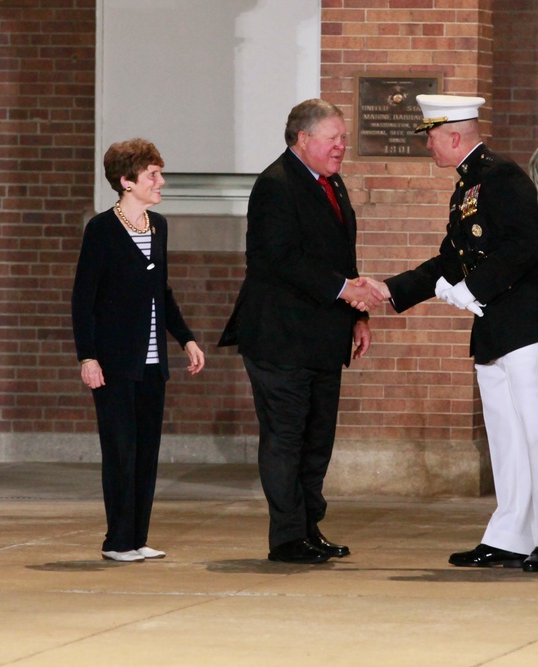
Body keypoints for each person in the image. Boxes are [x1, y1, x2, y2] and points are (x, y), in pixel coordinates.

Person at [364, 94, 538, 573]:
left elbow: (523, 248)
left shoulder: (502, 178)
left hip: (526, 323)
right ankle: (510, 537)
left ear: (454, 135)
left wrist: (471, 289)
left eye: (432, 137)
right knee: (505, 435)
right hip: (495, 327)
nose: (429, 147)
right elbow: (448, 259)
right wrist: (389, 289)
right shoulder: (468, 187)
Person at [219, 99, 384, 564]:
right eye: (333, 138)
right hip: (280, 338)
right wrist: (345, 290)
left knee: (317, 440)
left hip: (323, 338)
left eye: (344, 138)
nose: (341, 146)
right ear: (303, 139)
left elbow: (341, 256)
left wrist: (357, 314)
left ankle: (309, 528)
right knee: (286, 439)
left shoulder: (331, 183)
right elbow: (278, 259)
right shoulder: (275, 185)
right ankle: (287, 538)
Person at [72, 138, 205, 562]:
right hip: (113, 363)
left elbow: (160, 294)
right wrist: (87, 356)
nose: (160, 181)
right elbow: (82, 299)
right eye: (153, 175)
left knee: (147, 450)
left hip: (151, 364)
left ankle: (137, 537)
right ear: (127, 182)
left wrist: (185, 338)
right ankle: (117, 541)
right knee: (121, 450)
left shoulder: (158, 226)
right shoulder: (102, 230)